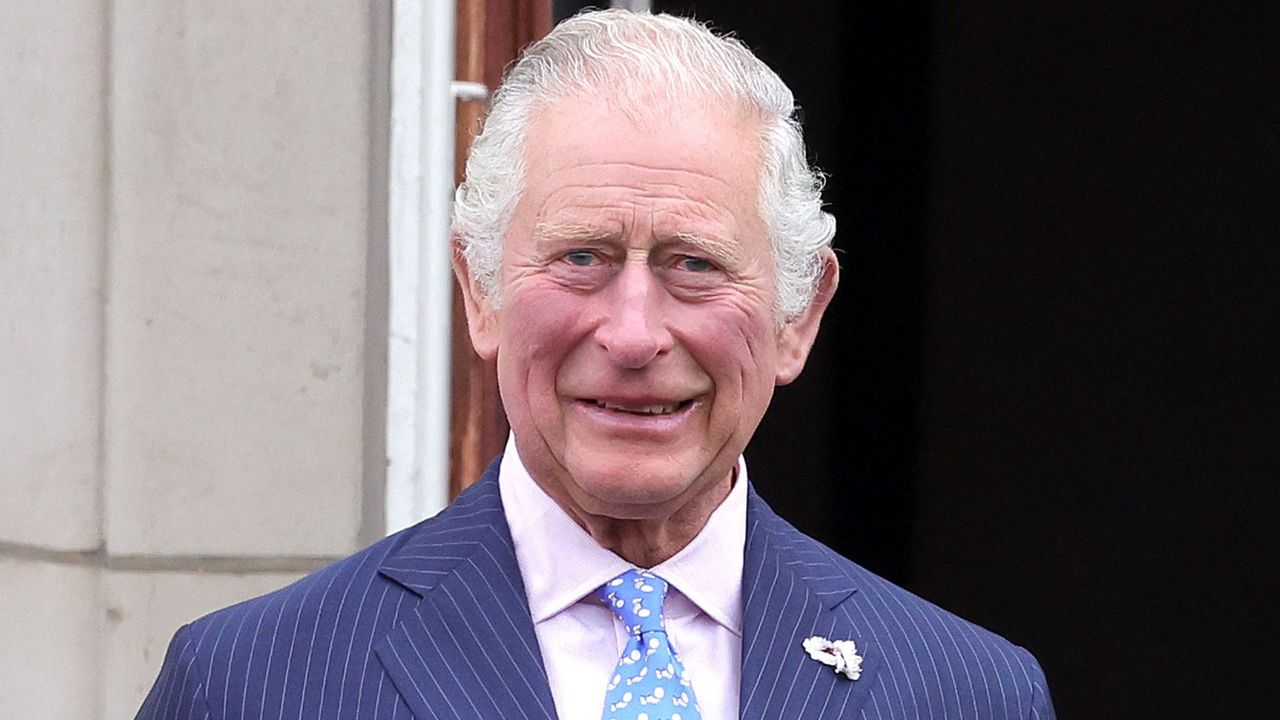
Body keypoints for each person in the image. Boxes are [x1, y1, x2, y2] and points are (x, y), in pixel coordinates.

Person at [138, 9, 1054, 720]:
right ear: (481, 292)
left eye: (693, 264)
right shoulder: (256, 682)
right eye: (582, 257)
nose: (632, 334)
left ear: (799, 316)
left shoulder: (964, 693)